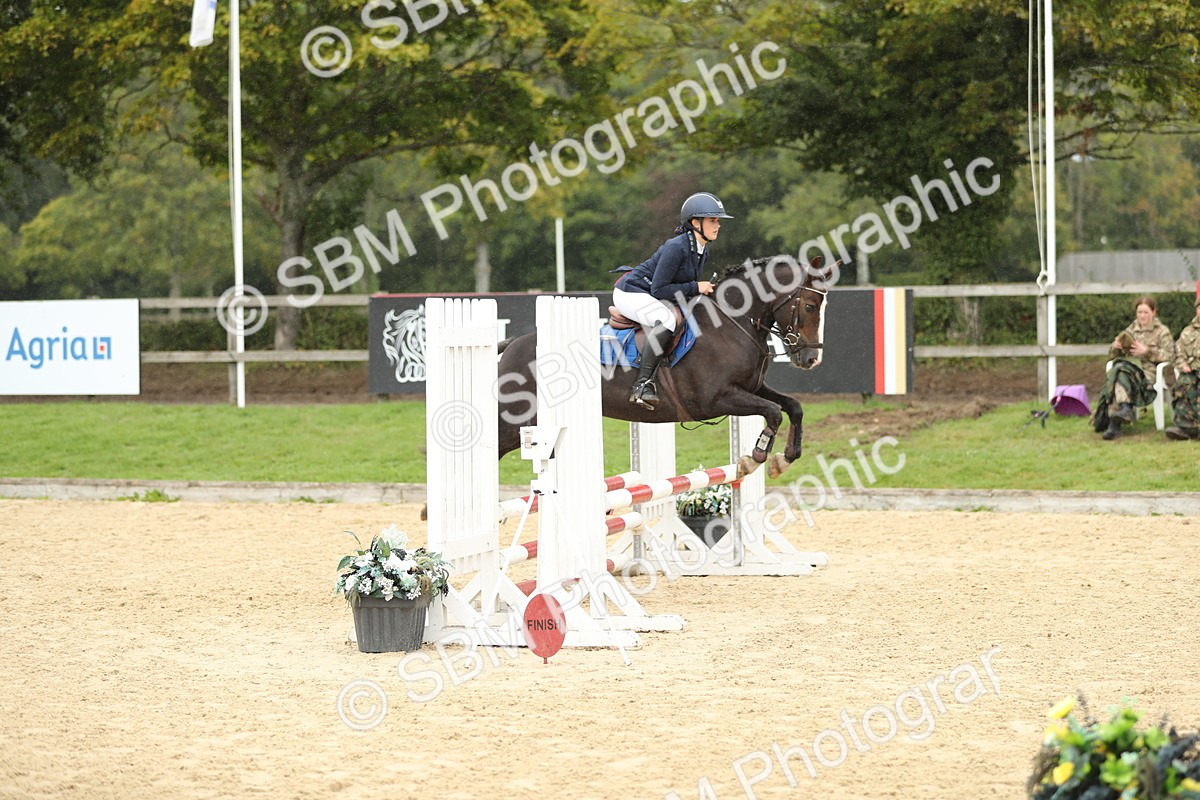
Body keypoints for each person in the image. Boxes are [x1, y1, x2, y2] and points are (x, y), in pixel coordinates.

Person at [612, 192, 732, 409]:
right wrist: (696, 287)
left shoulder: (701, 250)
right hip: (630, 292)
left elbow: (678, 289)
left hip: (649, 294)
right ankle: (642, 384)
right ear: (696, 222)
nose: (718, 225)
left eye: (718, 221)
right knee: (666, 319)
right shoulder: (677, 247)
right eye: (713, 220)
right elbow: (660, 289)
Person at [1096, 295, 1174, 440]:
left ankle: (1115, 424)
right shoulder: (1130, 330)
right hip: (1128, 369)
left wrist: (1147, 352)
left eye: (1146, 312)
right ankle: (1123, 411)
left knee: (1118, 373)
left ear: (1153, 312)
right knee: (1119, 371)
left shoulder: (1162, 331)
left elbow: (1169, 356)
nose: (1142, 316)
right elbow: (1112, 356)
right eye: (1139, 312)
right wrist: (1115, 347)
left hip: (1148, 373)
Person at [1165, 295, 1200, 440]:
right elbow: (1177, 353)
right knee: (1184, 384)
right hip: (1191, 370)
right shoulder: (1187, 332)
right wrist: (1182, 364)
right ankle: (1184, 426)